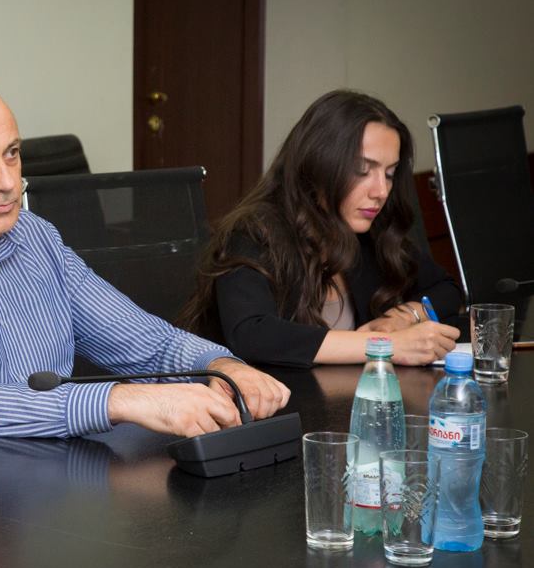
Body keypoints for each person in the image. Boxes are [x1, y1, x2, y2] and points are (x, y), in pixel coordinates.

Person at [0, 75, 289, 477]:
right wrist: (121, 400)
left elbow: (147, 344)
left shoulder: (34, 238)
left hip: (40, 491)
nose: (7, 181)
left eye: (11, 154)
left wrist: (221, 366)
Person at [180, 89, 462, 368]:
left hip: (346, 393)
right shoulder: (252, 232)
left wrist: (404, 317)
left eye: (389, 174)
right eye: (363, 170)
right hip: (270, 396)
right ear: (318, 164)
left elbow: (446, 289)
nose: (381, 191)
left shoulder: (370, 232)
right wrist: (384, 345)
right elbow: (252, 333)